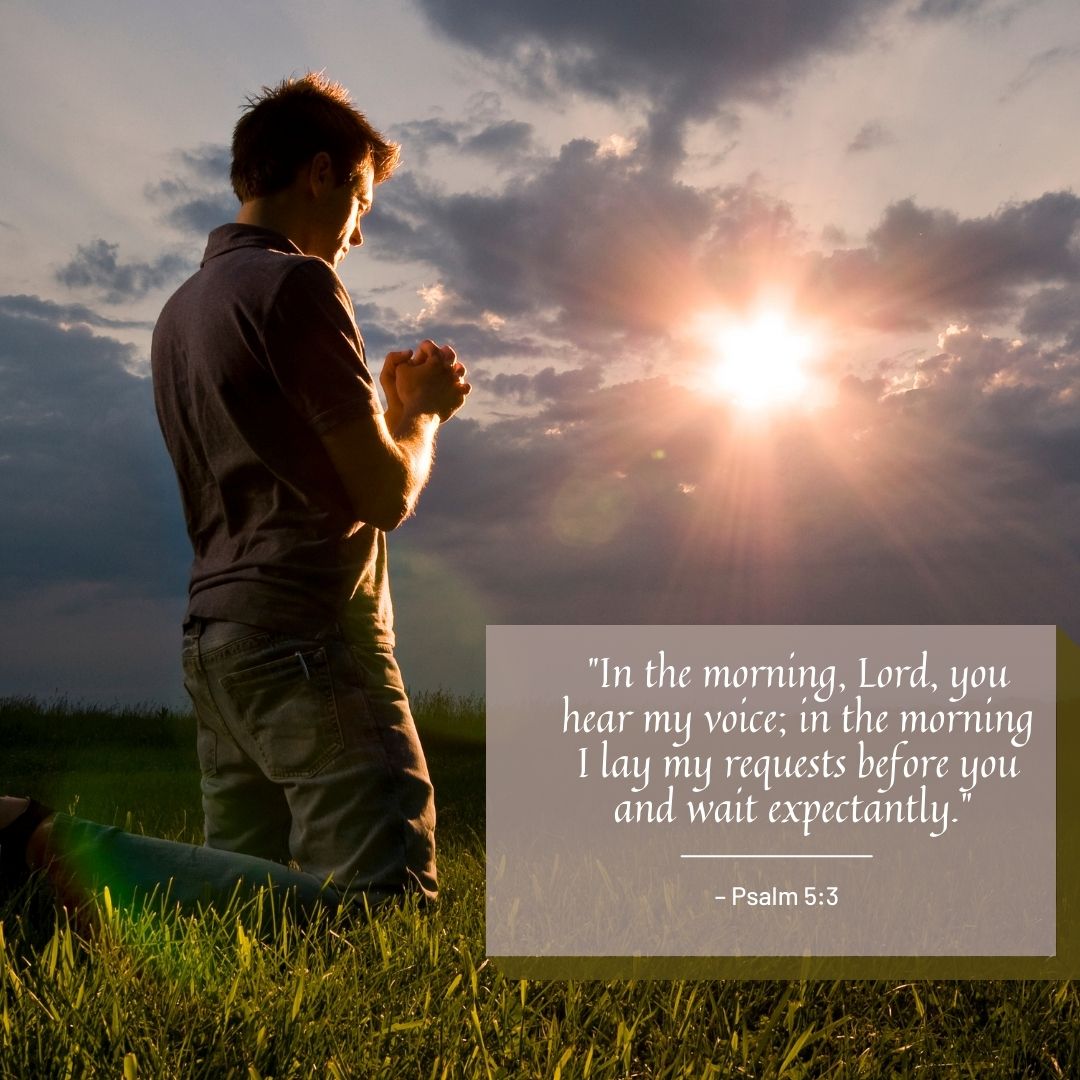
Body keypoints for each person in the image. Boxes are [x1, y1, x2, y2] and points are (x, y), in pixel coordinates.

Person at [1, 74, 468, 917]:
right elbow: (385, 493)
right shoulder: (299, 286)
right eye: (362, 200)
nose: (359, 233)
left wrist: (389, 409)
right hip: (307, 631)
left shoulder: (180, 311)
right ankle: (34, 844)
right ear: (320, 173)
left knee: (246, 923)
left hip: (219, 641)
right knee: (382, 908)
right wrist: (422, 416)